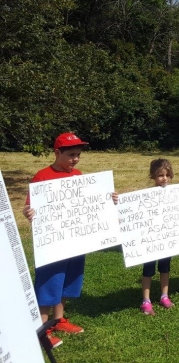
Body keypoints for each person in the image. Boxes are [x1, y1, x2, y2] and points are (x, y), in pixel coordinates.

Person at [22, 132, 92, 349]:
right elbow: (29, 207)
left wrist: (109, 199)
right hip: (52, 243)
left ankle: (59, 319)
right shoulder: (42, 177)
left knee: (68, 280)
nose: (76, 159)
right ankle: (42, 328)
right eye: (71, 154)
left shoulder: (78, 175)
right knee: (49, 281)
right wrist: (29, 213)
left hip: (73, 240)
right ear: (57, 153)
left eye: (78, 155)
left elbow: (88, 201)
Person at [139, 158, 176, 315]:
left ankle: (164, 296)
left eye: (167, 175)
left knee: (165, 268)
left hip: (166, 239)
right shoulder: (145, 196)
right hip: (150, 240)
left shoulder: (176, 194)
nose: (164, 178)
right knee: (148, 269)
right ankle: (146, 300)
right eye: (160, 175)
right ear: (153, 176)